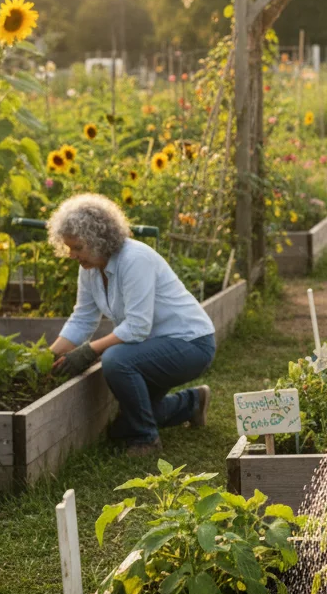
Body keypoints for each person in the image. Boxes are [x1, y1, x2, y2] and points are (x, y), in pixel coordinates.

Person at [47, 193, 216, 456]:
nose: (72, 255)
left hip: (191, 344)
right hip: (155, 347)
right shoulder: (89, 270)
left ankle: (145, 439)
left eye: (77, 247)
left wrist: (91, 350)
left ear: (98, 239)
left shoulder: (135, 259)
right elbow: (82, 318)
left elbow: (137, 327)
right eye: (69, 247)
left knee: (115, 359)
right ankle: (192, 403)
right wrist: (48, 358)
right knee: (122, 425)